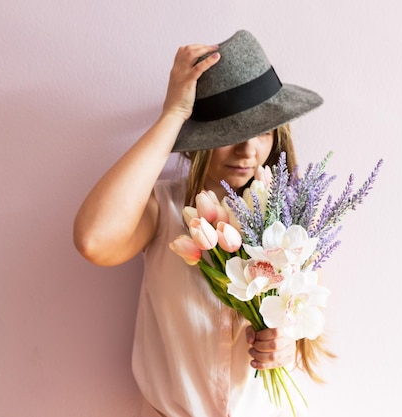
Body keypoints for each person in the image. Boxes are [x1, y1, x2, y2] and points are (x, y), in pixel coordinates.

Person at [74, 30, 331, 417]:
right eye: (230, 132)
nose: (248, 151)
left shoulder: (292, 219)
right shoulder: (164, 210)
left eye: (261, 130)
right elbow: (93, 240)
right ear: (200, 138)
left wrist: (286, 347)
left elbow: (306, 330)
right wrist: (174, 115)